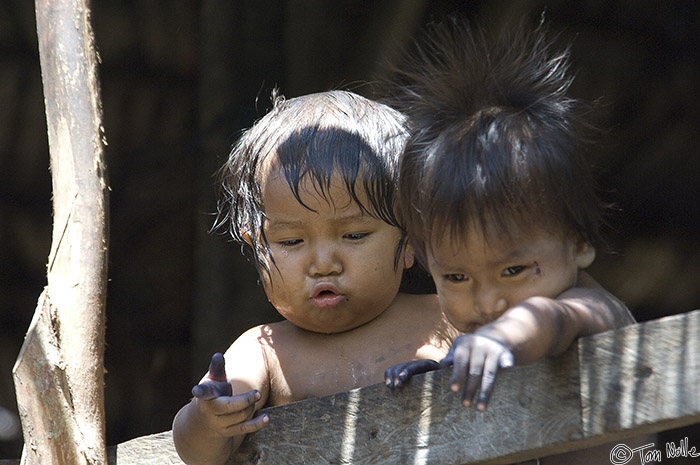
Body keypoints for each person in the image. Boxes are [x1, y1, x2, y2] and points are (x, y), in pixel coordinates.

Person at [381, 18, 655, 464]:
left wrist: (499, 341)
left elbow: (550, 319)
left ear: (580, 242)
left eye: (513, 270)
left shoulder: (595, 310)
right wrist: (442, 375)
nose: (488, 302)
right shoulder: (489, 337)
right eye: (455, 276)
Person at [171, 89, 459, 465]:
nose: (323, 264)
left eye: (354, 235)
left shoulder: (448, 317)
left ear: (410, 240)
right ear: (256, 246)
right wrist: (209, 418)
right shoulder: (263, 350)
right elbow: (198, 453)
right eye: (291, 240)